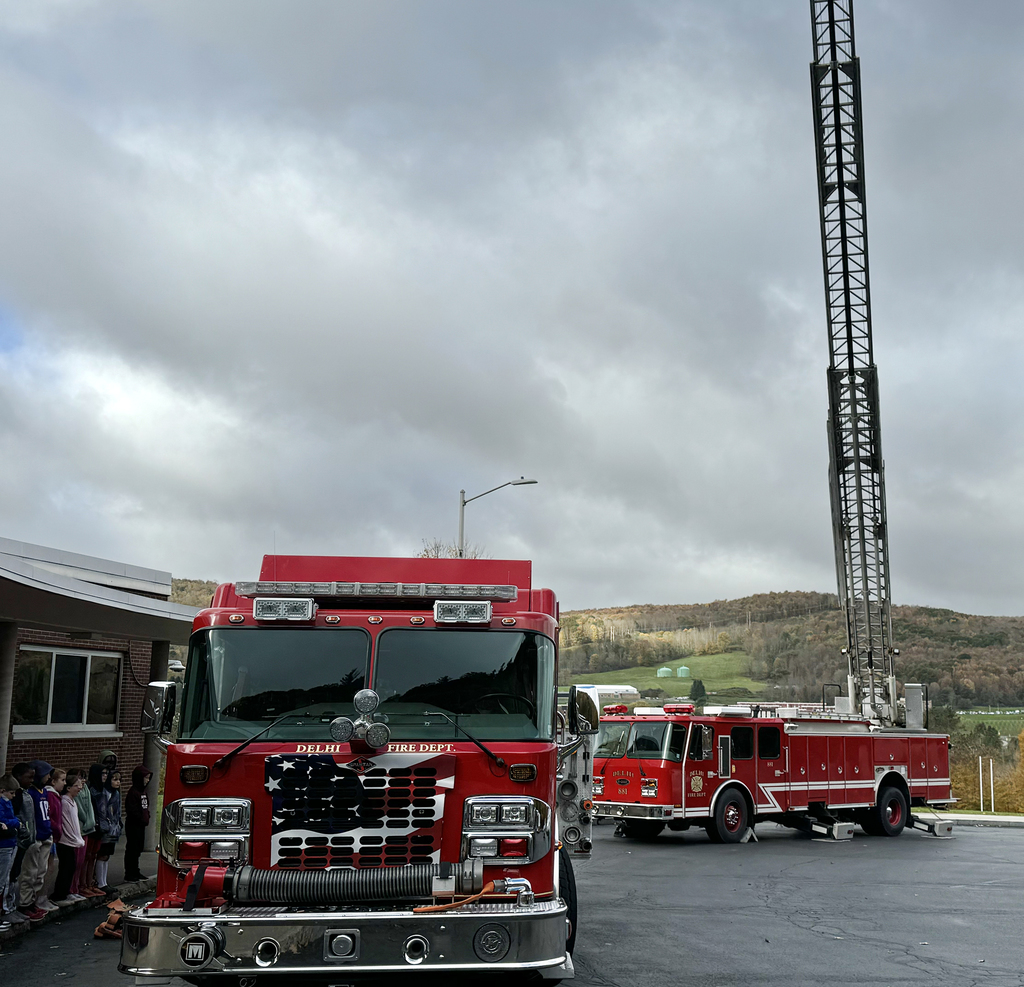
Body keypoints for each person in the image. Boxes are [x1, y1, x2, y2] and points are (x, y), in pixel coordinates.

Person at [17, 759, 54, 922]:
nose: (48, 778)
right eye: (45, 775)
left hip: (46, 834)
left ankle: (32, 901)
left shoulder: (43, 791)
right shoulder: (29, 793)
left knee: (40, 872)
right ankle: (24, 903)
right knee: (29, 873)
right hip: (35, 837)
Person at [52, 769, 86, 906]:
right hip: (65, 841)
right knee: (66, 867)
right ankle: (59, 894)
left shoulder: (72, 802)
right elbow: (67, 822)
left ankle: (66, 892)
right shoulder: (65, 802)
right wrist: (75, 838)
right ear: (69, 788)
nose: (80, 788)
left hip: (72, 841)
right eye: (77, 786)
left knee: (71, 867)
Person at [8, 763, 35, 924]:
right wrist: (22, 830)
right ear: (18, 777)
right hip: (17, 840)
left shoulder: (24, 793)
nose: (31, 781)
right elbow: (15, 817)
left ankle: (11, 907)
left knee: (15, 874)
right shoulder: (15, 796)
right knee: (10, 875)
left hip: (24, 841)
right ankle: (8, 908)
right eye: (28, 777)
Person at [37, 767, 66, 912]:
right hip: (50, 835)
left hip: (53, 835)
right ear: (53, 781)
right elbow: (52, 817)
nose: (64, 783)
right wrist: (56, 831)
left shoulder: (55, 795)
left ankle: (44, 897)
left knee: (50, 867)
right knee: (45, 868)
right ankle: (40, 898)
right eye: (62, 780)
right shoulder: (50, 795)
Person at [81, 764, 108, 897]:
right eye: (102, 774)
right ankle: (83, 884)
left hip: (100, 826)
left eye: (106, 774)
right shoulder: (92, 790)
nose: (105, 776)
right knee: (87, 856)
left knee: (93, 856)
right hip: (92, 826)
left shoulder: (102, 789)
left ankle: (90, 882)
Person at [95, 768, 122, 893]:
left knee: (107, 856)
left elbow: (118, 812)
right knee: (102, 854)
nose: (118, 782)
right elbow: (102, 811)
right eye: (115, 779)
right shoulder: (103, 793)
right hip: (105, 827)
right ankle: (100, 882)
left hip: (114, 828)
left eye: (119, 780)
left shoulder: (116, 794)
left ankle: (104, 881)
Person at [124, 765, 153, 882]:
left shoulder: (143, 792)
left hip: (141, 825)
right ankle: (130, 872)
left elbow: (145, 807)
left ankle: (136, 870)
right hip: (134, 825)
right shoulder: (133, 793)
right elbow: (132, 810)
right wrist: (141, 818)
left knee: (138, 848)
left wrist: (147, 817)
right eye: (145, 778)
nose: (147, 780)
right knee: (132, 849)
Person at [0, 773, 21, 932]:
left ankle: (6, 910)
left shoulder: (6, 804)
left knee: (6, 878)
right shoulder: (2, 804)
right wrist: (16, 824)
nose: (13, 797)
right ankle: (4, 910)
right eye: (11, 793)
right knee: (2, 880)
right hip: (4, 844)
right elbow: (8, 821)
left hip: (10, 843)